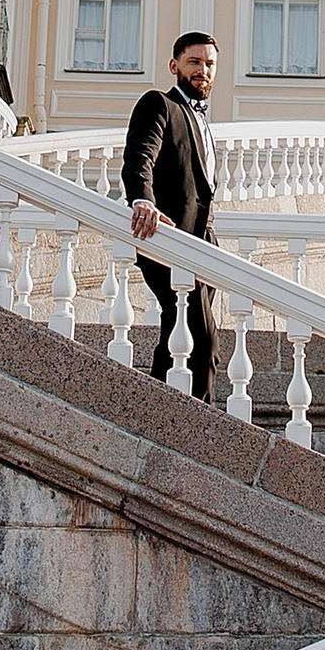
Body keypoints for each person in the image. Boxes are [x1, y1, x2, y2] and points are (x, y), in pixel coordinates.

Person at [124, 29, 219, 391]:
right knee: (204, 339)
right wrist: (142, 199)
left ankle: (152, 409)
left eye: (209, 64)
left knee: (176, 334)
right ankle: (200, 432)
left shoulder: (203, 119)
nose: (202, 70)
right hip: (166, 237)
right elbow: (139, 156)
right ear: (174, 65)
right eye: (194, 62)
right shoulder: (159, 104)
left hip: (203, 243)